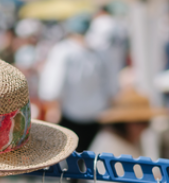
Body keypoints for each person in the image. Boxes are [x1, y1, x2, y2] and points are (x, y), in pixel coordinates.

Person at [39, 13, 117, 152]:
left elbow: (53, 85)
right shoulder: (98, 52)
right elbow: (110, 82)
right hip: (95, 113)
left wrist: (53, 107)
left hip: (72, 113)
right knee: (88, 154)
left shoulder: (63, 50)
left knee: (71, 154)